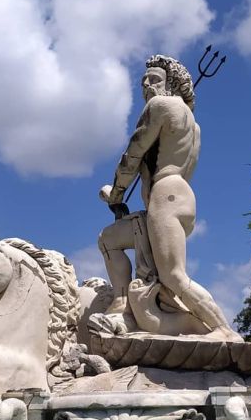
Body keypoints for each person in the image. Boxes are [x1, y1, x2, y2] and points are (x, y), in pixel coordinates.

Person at [98, 54, 241, 341]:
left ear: (172, 83)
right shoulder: (194, 126)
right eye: (144, 82)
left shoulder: (161, 106)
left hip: (166, 195)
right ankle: (123, 304)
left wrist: (115, 192)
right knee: (110, 239)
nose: (148, 86)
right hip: (181, 197)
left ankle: (224, 330)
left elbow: (133, 154)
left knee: (174, 275)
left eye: (155, 80)